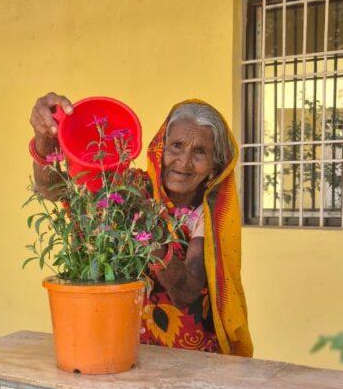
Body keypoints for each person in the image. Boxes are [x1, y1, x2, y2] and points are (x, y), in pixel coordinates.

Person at [29, 93, 253, 357]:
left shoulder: (207, 216)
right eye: (177, 146)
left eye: (200, 152)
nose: (184, 161)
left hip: (190, 360)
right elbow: (55, 190)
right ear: (161, 148)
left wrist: (147, 225)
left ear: (214, 168)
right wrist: (45, 136)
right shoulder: (132, 188)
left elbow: (186, 289)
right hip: (124, 348)